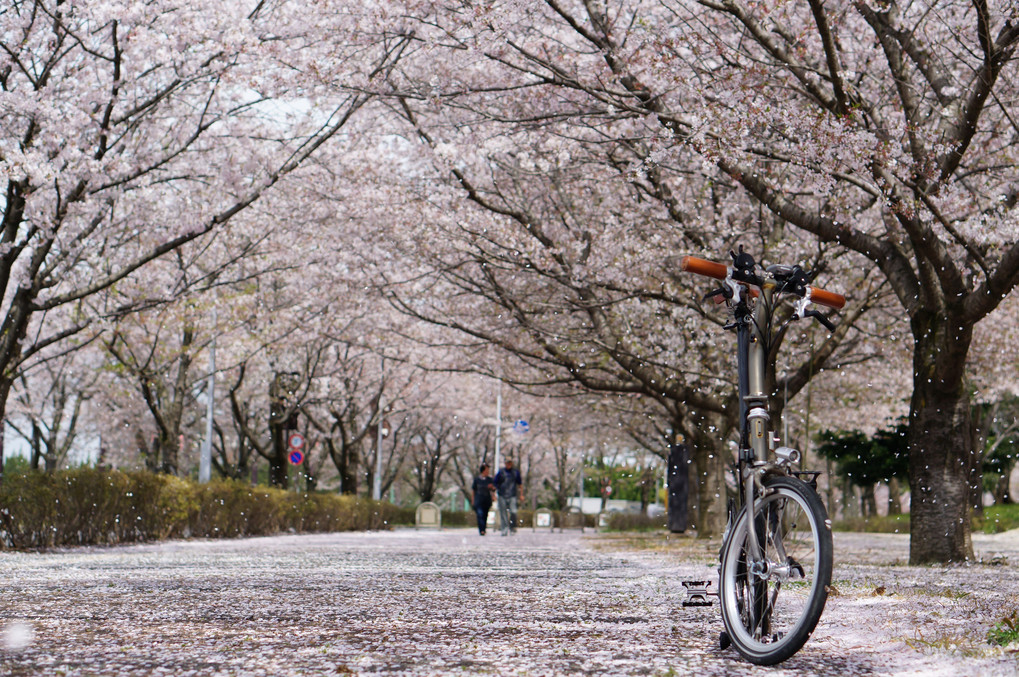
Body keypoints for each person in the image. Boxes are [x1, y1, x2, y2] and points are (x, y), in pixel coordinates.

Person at [494, 458, 523, 536]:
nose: (509, 464)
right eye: (507, 463)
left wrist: (521, 494)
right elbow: (495, 483)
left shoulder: (515, 472)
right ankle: (504, 529)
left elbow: (520, 484)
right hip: (502, 495)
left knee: (513, 512)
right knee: (503, 513)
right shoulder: (501, 472)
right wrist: (494, 494)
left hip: (512, 495)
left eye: (510, 462)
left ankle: (512, 527)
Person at [470, 463, 496, 535]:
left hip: (487, 500)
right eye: (486, 470)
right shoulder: (477, 480)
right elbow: (473, 490)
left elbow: (493, 489)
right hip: (478, 500)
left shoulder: (490, 479)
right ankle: (481, 529)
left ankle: (483, 529)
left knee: (485, 515)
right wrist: (473, 500)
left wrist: (493, 492)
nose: (488, 471)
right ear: (483, 471)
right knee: (480, 514)